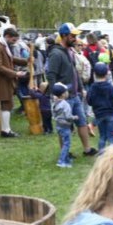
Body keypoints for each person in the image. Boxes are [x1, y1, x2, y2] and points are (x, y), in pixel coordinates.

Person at [46, 23, 94, 155]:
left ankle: (87, 150)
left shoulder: (70, 51)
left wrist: (81, 88)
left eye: (75, 36)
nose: (75, 39)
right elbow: (51, 75)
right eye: (72, 36)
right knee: (64, 126)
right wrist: (56, 95)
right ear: (64, 36)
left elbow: (75, 72)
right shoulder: (56, 53)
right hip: (63, 98)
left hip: (75, 95)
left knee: (82, 122)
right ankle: (65, 153)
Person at [0, 27, 28, 138]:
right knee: (6, 103)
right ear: (7, 36)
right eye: (13, 40)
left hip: (6, 78)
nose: (14, 42)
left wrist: (26, 61)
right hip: (2, 79)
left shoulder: (3, 45)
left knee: (8, 103)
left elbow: (10, 58)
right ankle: (6, 130)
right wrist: (15, 73)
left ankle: (5, 129)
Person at [86, 63, 113, 152]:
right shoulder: (110, 87)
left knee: (102, 136)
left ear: (94, 74)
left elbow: (89, 101)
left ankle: (101, 155)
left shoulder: (93, 87)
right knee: (110, 137)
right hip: (110, 114)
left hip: (99, 114)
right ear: (107, 74)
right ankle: (112, 155)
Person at [52, 83, 77, 168]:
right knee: (67, 144)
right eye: (67, 91)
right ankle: (61, 161)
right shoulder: (65, 104)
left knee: (65, 143)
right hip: (65, 127)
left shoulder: (54, 103)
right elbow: (68, 116)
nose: (68, 93)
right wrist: (74, 117)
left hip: (58, 126)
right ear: (63, 94)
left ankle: (66, 160)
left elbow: (54, 115)